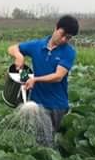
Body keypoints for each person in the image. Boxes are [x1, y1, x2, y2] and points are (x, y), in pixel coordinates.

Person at [7, 15, 80, 146]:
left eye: (68, 38)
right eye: (63, 34)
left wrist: (35, 79)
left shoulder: (68, 52)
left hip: (56, 105)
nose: (64, 39)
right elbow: (12, 48)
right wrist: (19, 56)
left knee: (46, 142)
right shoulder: (37, 45)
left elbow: (58, 76)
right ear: (56, 27)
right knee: (41, 141)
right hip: (37, 103)